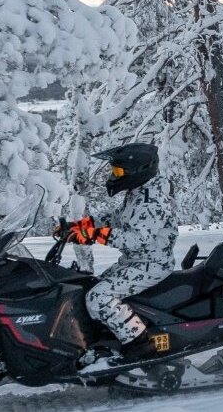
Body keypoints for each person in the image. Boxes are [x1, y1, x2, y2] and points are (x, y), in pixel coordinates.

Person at [66, 143, 177, 362]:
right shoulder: (139, 192)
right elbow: (116, 218)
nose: (114, 176)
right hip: (135, 262)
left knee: (99, 297)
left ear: (138, 170)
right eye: (114, 171)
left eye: (118, 171)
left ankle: (141, 345)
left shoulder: (152, 200)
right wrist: (80, 226)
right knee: (90, 285)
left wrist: (91, 235)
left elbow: (135, 239)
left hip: (151, 265)